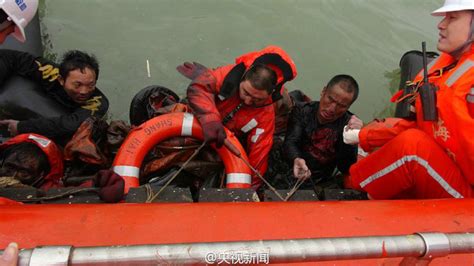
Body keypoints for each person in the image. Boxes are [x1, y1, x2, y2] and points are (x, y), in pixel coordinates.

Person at [346, 0, 474, 199]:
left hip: (467, 200)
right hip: (450, 170)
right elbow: (418, 126)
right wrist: (365, 136)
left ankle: (353, 188)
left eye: (452, 18)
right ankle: (354, 180)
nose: (441, 24)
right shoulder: (447, 66)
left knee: (412, 148)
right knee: (409, 143)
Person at [181, 45, 297, 188]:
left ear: (268, 95)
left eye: (257, 99)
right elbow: (200, 88)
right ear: (242, 79)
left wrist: (251, 188)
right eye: (246, 93)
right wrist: (210, 120)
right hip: (202, 122)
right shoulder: (227, 75)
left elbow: (259, 152)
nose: (248, 101)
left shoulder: (266, 113)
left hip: (228, 142)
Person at [0, 49, 109, 146]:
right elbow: (10, 57)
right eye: (77, 85)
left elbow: (71, 125)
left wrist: (21, 127)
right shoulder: (50, 72)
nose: (84, 91)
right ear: (61, 80)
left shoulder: (98, 102)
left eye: (91, 85)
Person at [284, 75, 362, 187]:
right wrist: (296, 158)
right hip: (293, 165)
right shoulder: (302, 111)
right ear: (323, 92)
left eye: (341, 106)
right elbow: (291, 141)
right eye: (330, 99)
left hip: (321, 178)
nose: (332, 109)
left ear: (348, 107)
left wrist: (353, 138)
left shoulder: (348, 126)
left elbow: (345, 168)